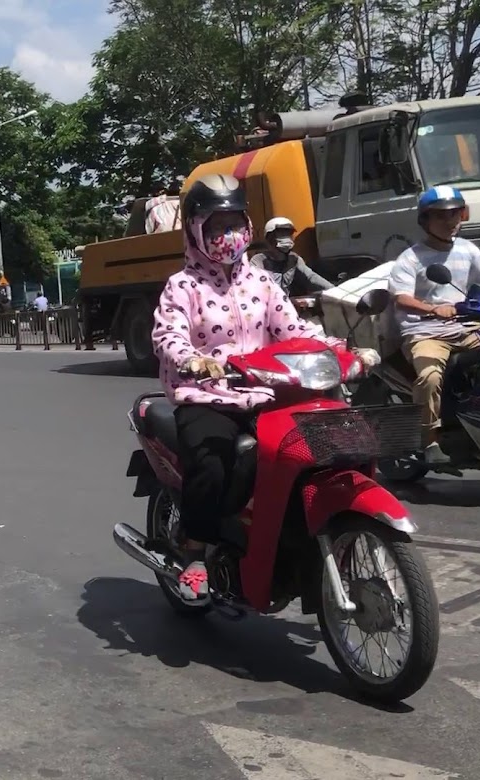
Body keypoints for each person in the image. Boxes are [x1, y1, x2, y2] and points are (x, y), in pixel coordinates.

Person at [150, 174, 375, 603]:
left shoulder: (262, 283)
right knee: (213, 462)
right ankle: (195, 551)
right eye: (216, 226)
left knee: (307, 451)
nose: (226, 235)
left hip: (265, 391)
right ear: (196, 230)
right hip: (208, 394)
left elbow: (295, 331)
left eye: (234, 223)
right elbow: (168, 336)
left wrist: (345, 351)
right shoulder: (182, 286)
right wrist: (192, 360)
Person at [389, 186, 480, 464]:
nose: (451, 221)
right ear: (425, 220)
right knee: (431, 377)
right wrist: (434, 309)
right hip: (426, 332)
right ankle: (430, 441)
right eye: (442, 216)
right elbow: (402, 300)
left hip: (467, 327)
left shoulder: (468, 250)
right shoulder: (410, 258)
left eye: (456, 213)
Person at [249, 217, 335, 297]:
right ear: (270, 238)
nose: (286, 238)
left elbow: (311, 277)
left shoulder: (293, 259)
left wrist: (334, 290)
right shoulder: (259, 261)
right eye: (281, 234)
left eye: (288, 234)